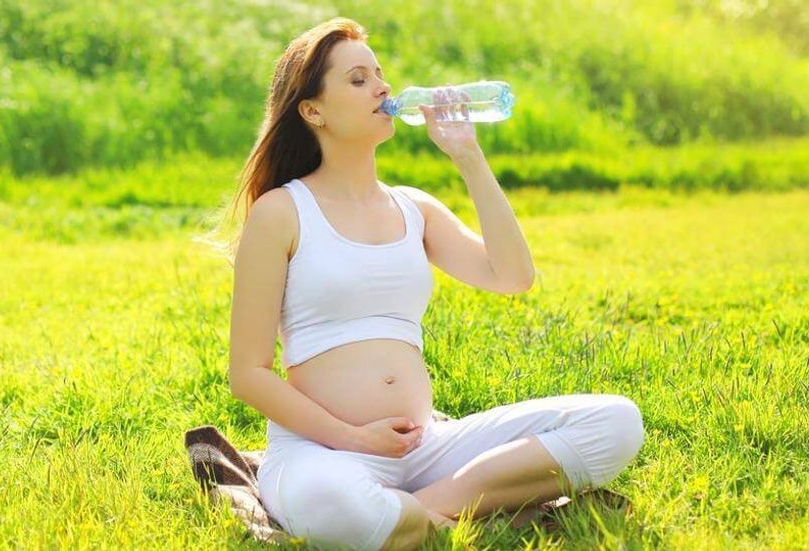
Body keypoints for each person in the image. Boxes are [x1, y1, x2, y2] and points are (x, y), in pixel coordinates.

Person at [220, 16, 644, 551]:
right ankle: (480, 516)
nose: (382, 87)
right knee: (339, 506)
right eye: (358, 80)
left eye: (379, 74)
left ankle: (423, 513)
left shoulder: (413, 208)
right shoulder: (281, 213)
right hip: (322, 455)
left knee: (617, 423)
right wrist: (353, 438)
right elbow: (248, 375)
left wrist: (467, 155)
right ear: (313, 110)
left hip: (426, 448)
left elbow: (512, 276)